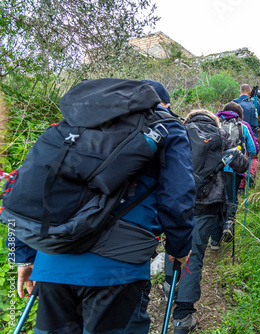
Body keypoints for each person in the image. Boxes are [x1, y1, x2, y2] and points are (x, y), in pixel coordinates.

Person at [10, 80, 195, 334]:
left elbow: (26, 192)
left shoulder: (75, 123)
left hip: (52, 261)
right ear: (161, 104)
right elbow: (177, 197)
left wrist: (24, 256)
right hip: (118, 269)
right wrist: (180, 247)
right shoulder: (168, 129)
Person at [168, 109, 248, 333]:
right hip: (208, 203)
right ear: (213, 120)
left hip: (179, 201)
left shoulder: (180, 131)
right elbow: (240, 166)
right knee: (195, 254)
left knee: (173, 245)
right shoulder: (221, 135)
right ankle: (183, 316)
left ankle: (170, 287)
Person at [212, 102, 258, 249]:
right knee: (231, 198)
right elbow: (252, 149)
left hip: (215, 169)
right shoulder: (243, 126)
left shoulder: (215, 123)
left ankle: (214, 241)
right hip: (234, 169)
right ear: (240, 113)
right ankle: (228, 224)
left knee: (216, 200)